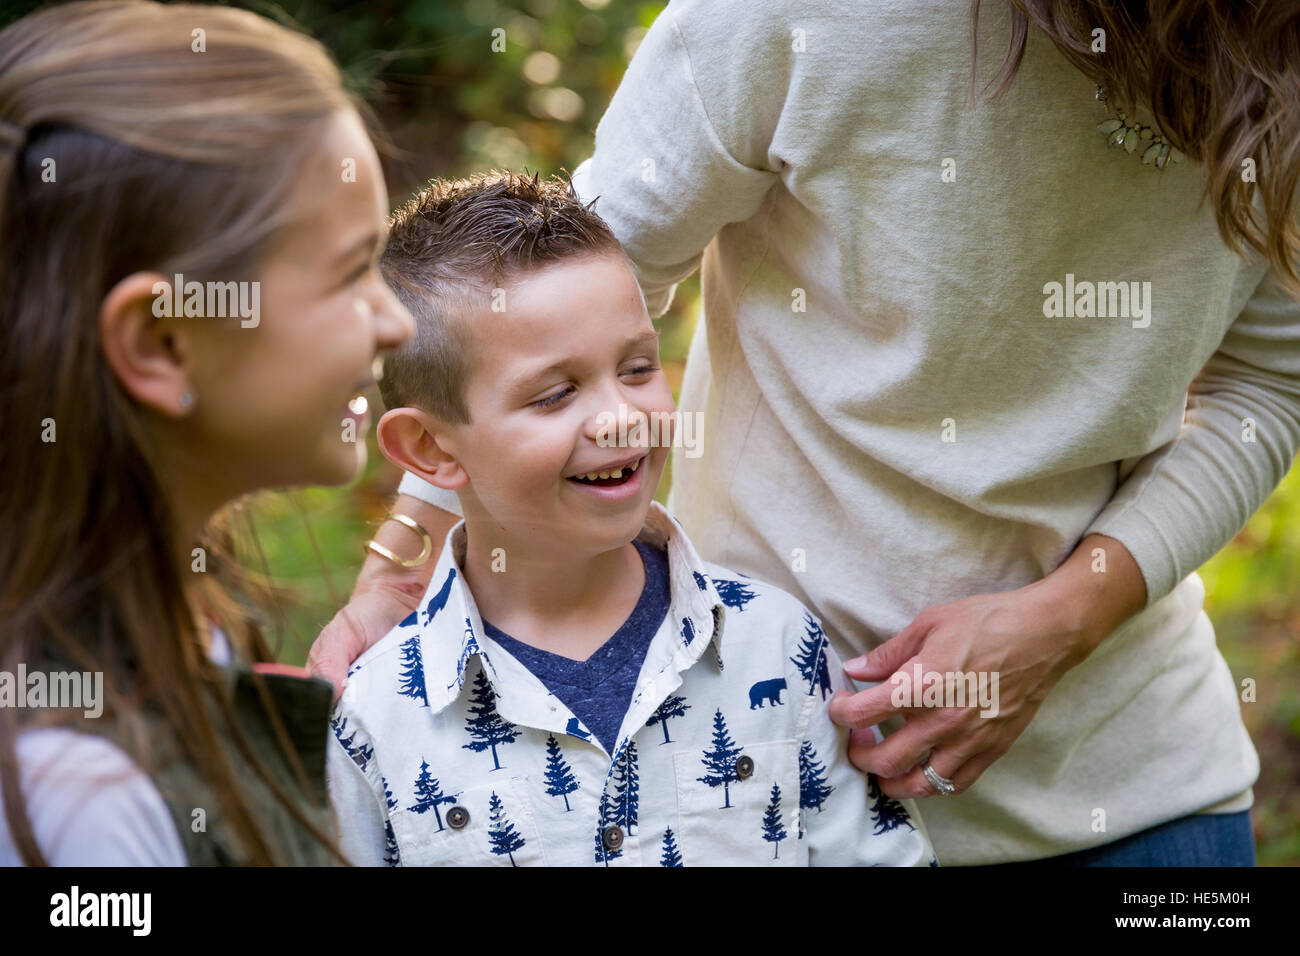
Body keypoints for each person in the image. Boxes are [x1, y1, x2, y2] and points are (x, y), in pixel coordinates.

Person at [315, 0, 1300, 865]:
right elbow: (552, 303)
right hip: (754, 774)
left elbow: (1266, 386)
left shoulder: (1282, 60)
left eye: (637, 373)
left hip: (1134, 793)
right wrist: (401, 564)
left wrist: (1069, 613)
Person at [325, 171, 938, 866]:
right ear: (431, 448)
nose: (620, 420)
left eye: (639, 368)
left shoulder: (780, 647)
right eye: (555, 396)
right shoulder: (375, 717)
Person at [0, 0, 413, 865]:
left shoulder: (183, 627)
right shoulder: (76, 802)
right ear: (163, 341)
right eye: (352, 273)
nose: (395, 322)